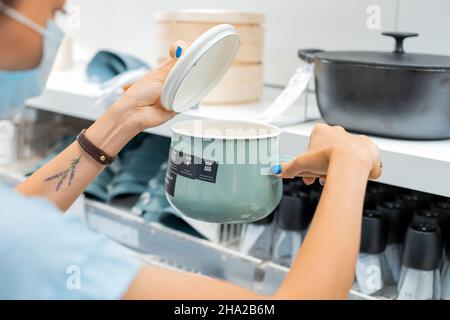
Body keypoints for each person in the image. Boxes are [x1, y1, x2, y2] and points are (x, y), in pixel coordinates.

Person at [0, 0, 382, 299]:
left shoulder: (20, 233)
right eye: (53, 12)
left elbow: (20, 214)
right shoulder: (33, 247)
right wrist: (349, 163)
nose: (55, 32)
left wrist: (125, 118)